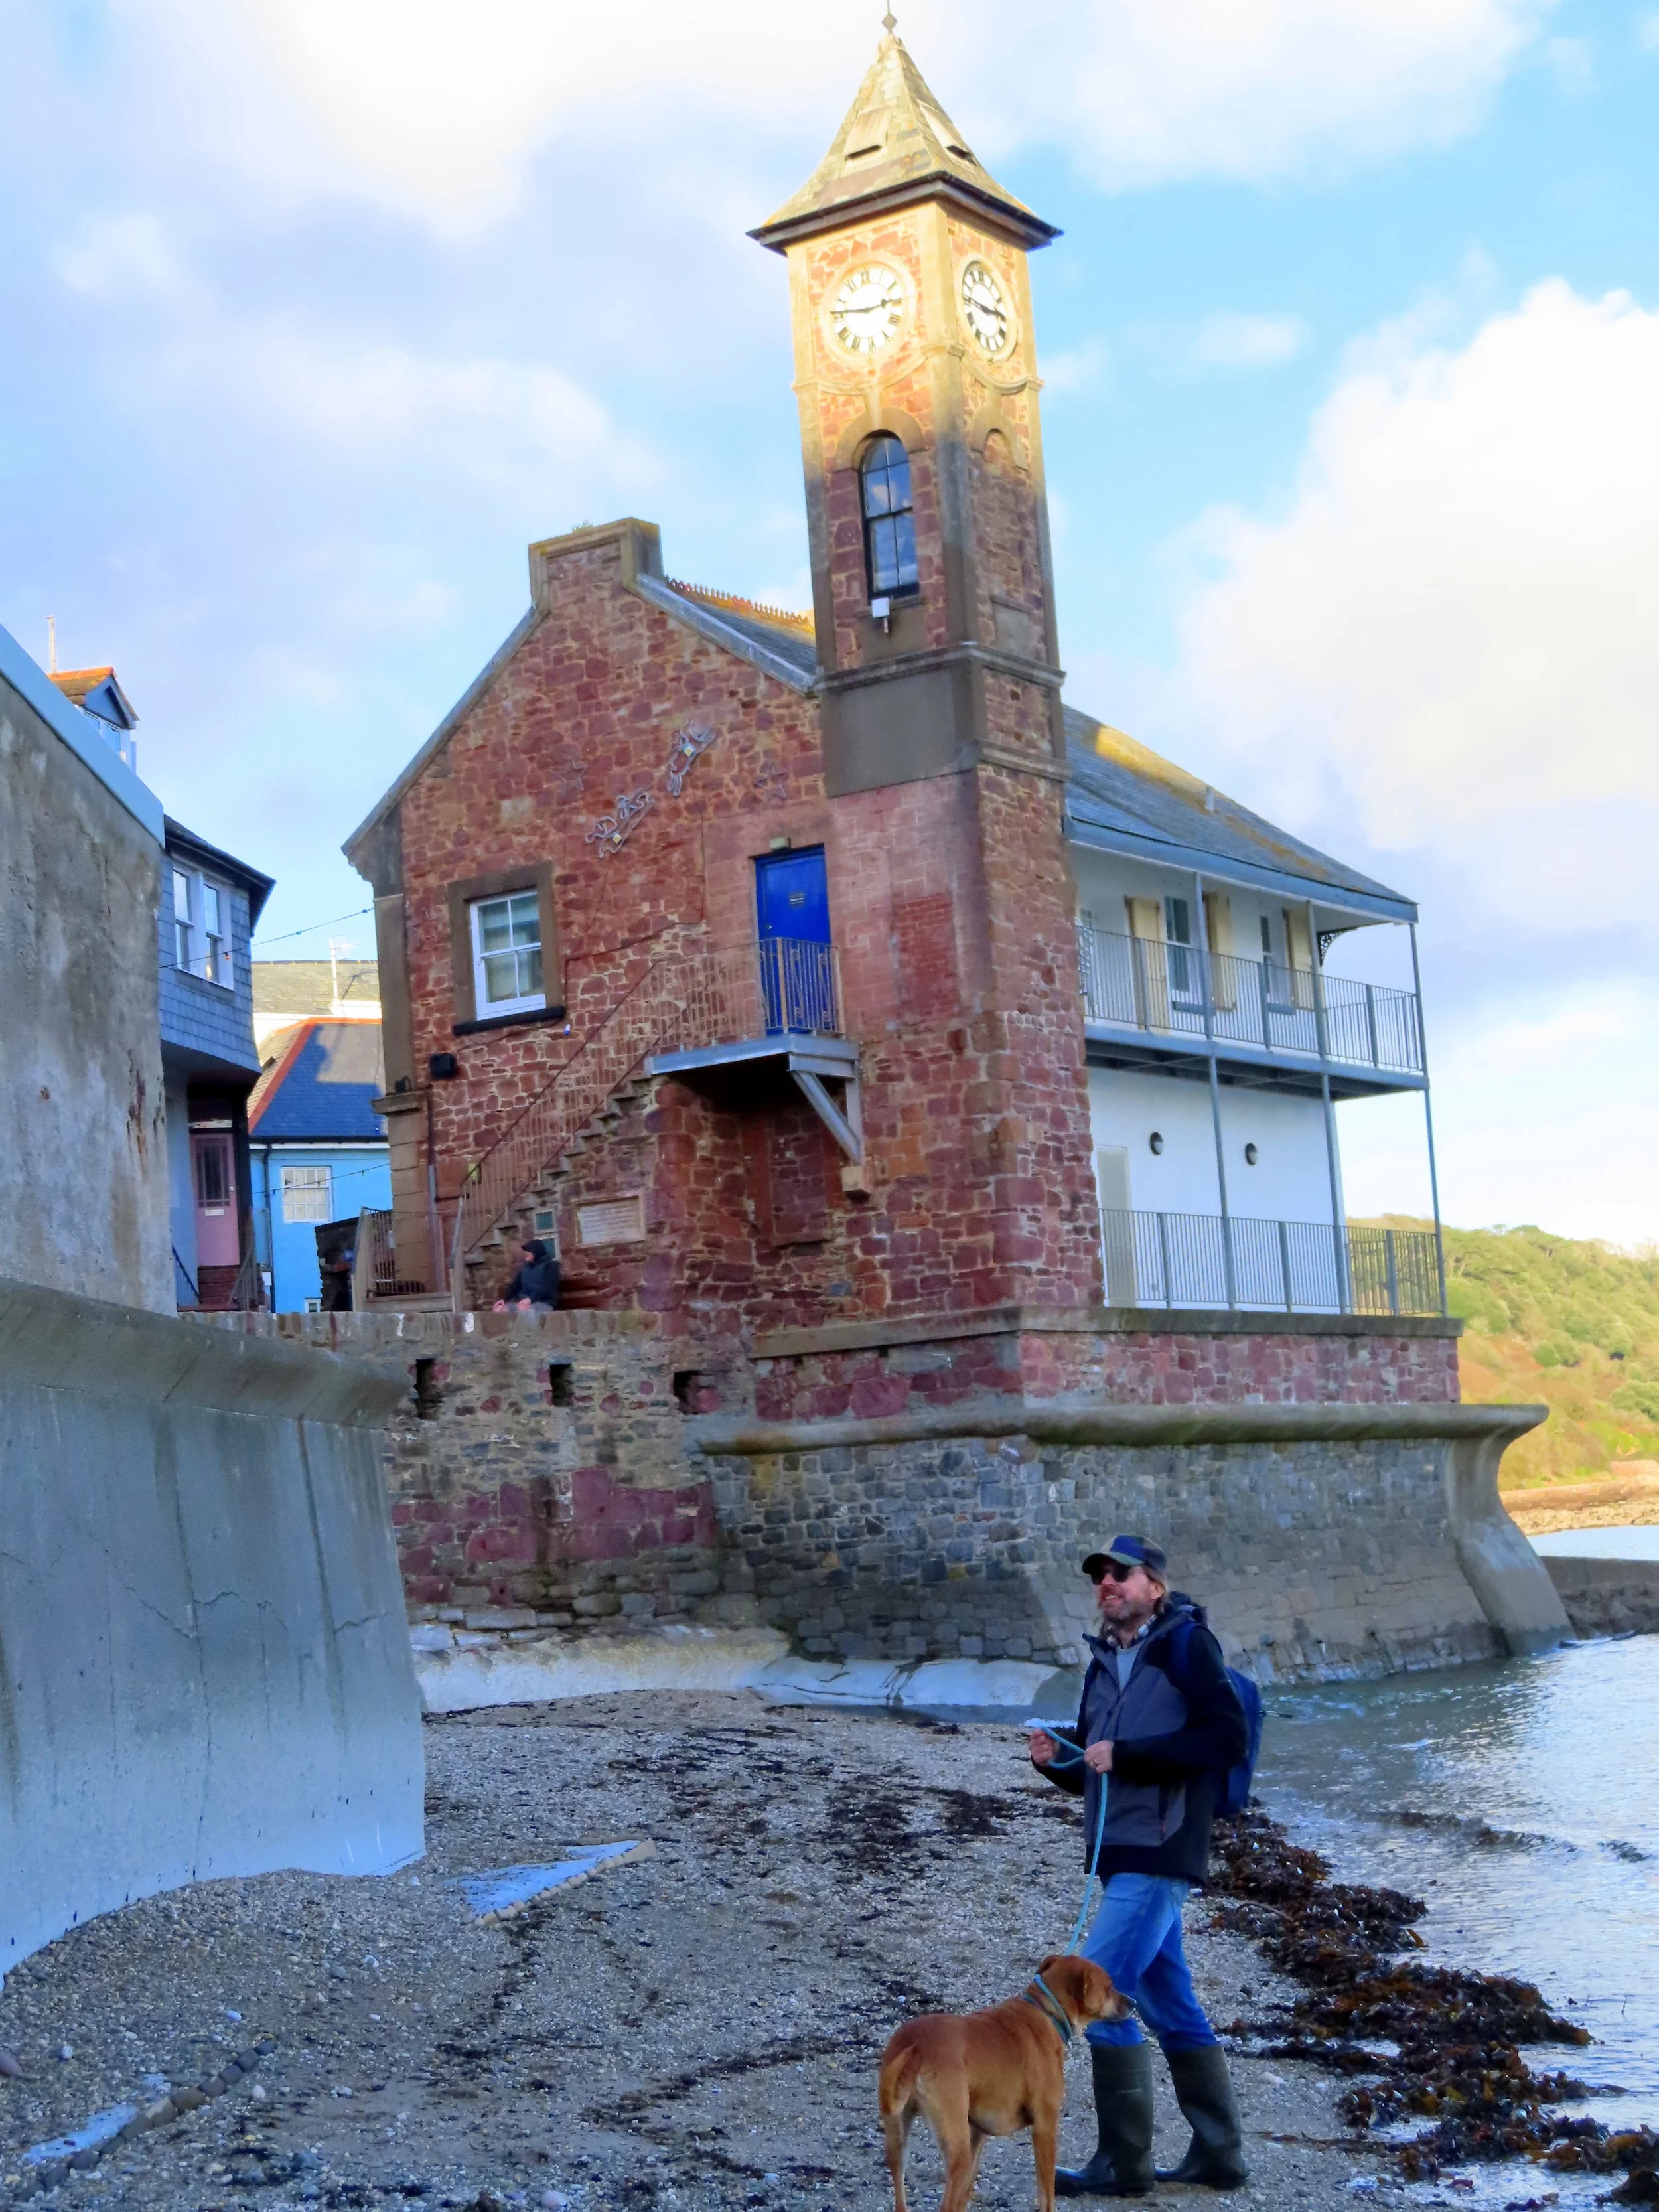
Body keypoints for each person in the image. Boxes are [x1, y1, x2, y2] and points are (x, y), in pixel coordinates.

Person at [1029, 1535, 1250, 2197]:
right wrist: (1057, 1762)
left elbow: (1225, 1738)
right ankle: (1218, 2158)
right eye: (1098, 1576)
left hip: (1163, 1852)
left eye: (1119, 1574)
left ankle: (1122, 2164)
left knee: (1093, 1995)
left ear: (1154, 1586)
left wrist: (1124, 1755)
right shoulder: (1102, 1662)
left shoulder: (1187, 1646)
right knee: (1169, 2004)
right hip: (1119, 1854)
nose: (1106, 1583)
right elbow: (1097, 1768)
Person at [492, 1238, 561, 1313]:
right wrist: (504, 1300)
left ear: (536, 1252)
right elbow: (515, 1286)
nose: (526, 1253)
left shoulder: (551, 1266)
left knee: (524, 1311)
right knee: (500, 1310)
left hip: (545, 1303)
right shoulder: (525, 1268)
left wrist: (530, 1299)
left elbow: (546, 1287)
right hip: (523, 1303)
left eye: (529, 1251)